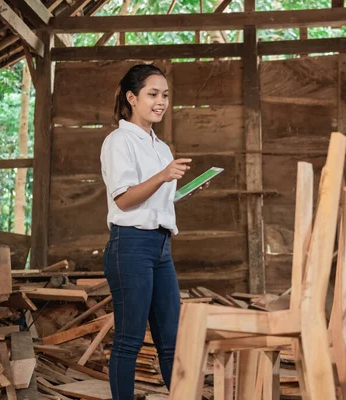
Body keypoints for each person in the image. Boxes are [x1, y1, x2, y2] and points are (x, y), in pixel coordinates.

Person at [100, 64, 204, 398]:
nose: (161, 101)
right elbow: (125, 199)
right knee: (129, 340)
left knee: (171, 341)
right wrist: (162, 177)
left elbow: (157, 203)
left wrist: (180, 191)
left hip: (160, 248)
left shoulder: (162, 147)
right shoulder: (118, 142)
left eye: (165, 95)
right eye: (152, 94)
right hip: (129, 246)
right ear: (132, 98)